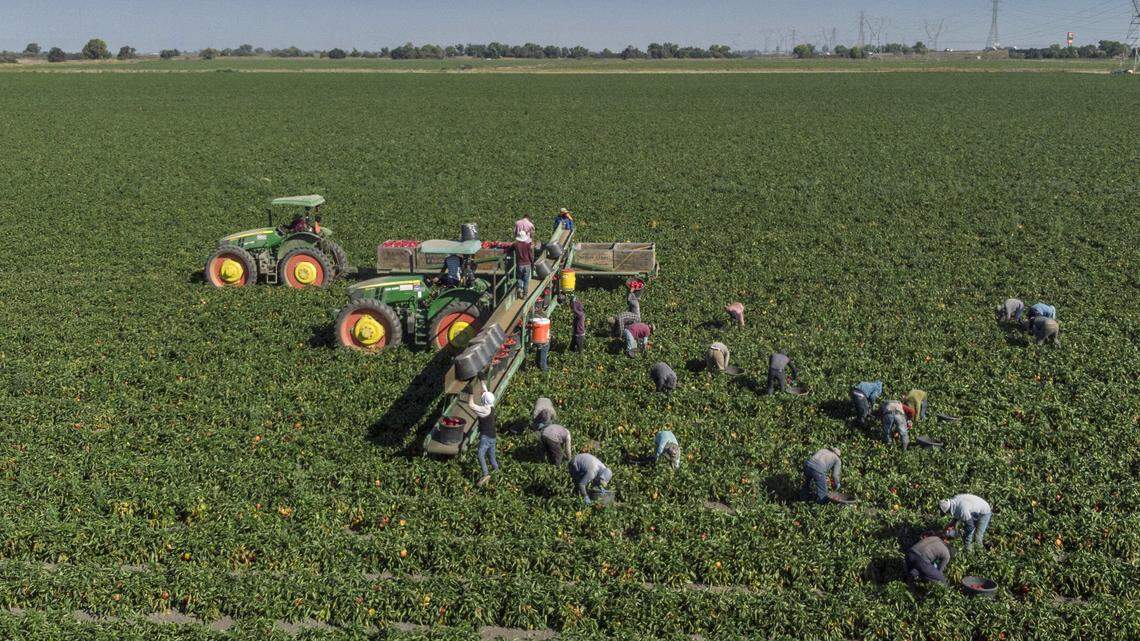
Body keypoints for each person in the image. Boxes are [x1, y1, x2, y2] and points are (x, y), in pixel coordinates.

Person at [467, 381, 498, 486]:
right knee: (491, 457)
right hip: (493, 436)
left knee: (480, 455)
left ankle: (486, 474)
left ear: (484, 400)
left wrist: (470, 393)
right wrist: (482, 380)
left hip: (486, 437)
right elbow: (486, 391)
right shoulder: (491, 405)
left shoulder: (484, 410)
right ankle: (498, 473)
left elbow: (471, 405)